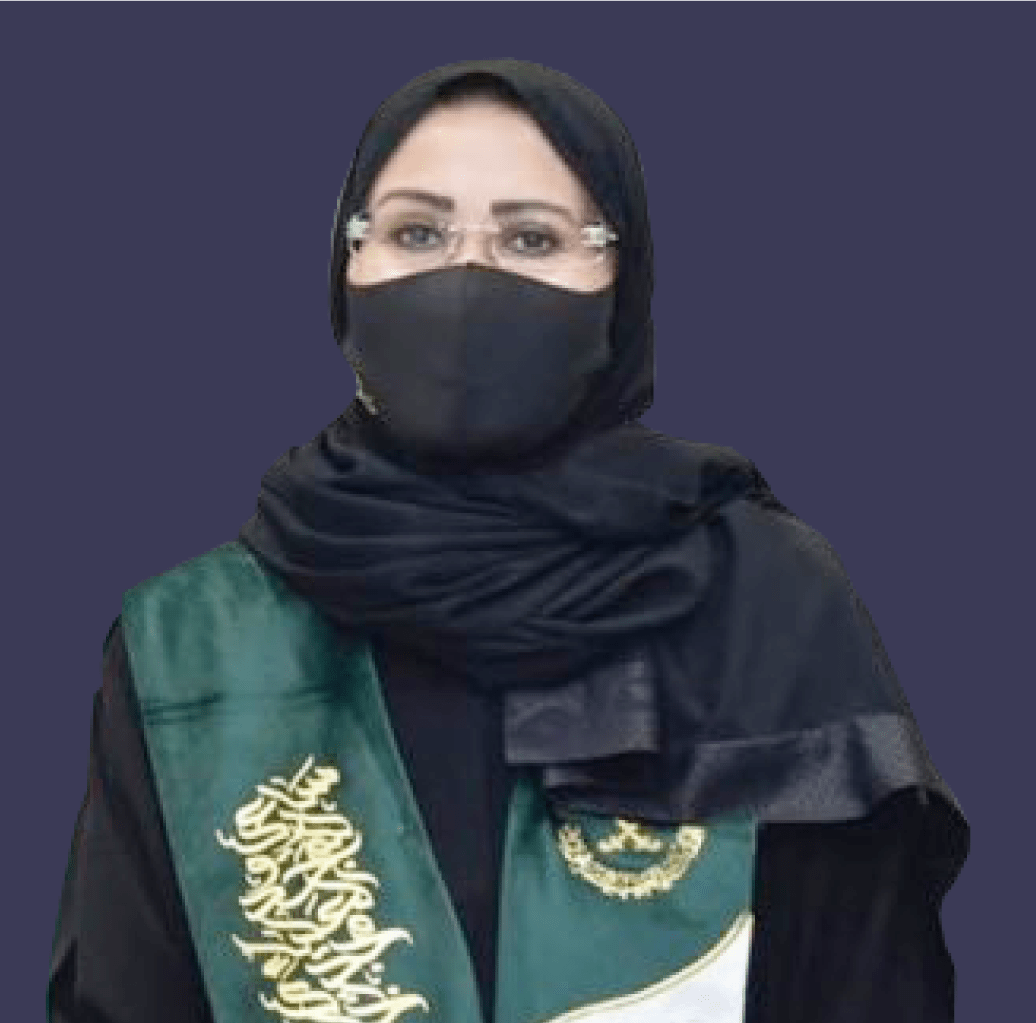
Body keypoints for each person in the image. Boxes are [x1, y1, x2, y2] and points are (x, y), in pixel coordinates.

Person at [49, 59, 967, 1023]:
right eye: (417, 232)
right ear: (347, 267)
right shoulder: (192, 647)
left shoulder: (764, 602)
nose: (467, 279)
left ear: (621, 282)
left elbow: (866, 986)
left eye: (532, 238)